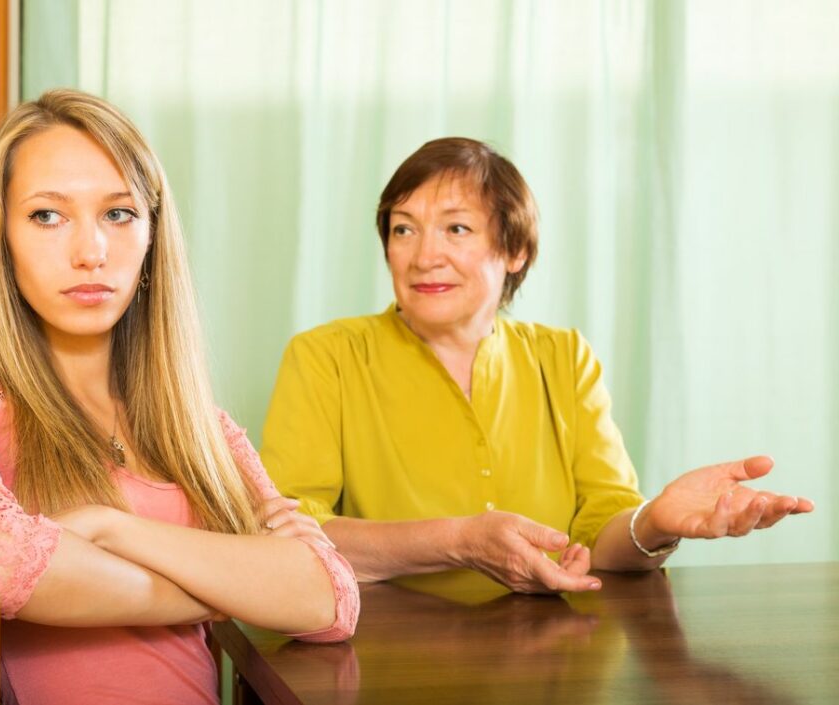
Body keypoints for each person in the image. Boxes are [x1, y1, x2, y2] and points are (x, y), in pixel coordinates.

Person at [0, 89, 358, 705]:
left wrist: (104, 529)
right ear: (1, 239)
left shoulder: (203, 430)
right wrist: (230, 582)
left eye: (118, 214)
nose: (91, 253)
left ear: (150, 240)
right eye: (46, 216)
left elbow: (330, 598)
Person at [260, 137, 813, 595]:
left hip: (555, 657)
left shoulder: (564, 357)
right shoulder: (325, 355)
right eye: (404, 228)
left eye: (456, 229)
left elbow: (604, 531)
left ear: (515, 250)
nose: (423, 255)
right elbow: (290, 528)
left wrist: (656, 523)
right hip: (385, 654)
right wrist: (458, 540)